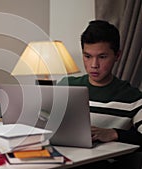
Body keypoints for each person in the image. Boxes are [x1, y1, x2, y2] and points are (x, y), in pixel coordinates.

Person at [58, 20, 142, 169]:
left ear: (117, 55)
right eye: (87, 56)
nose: (94, 65)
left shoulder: (132, 97)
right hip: (61, 160)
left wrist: (114, 134)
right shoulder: (67, 86)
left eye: (102, 57)